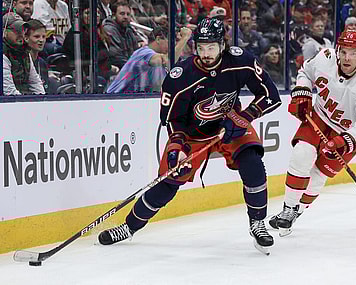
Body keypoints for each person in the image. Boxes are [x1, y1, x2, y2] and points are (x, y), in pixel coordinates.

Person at [98, 17, 282, 253]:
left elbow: (270, 95)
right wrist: (177, 146)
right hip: (192, 136)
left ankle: (257, 223)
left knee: (252, 162)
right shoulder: (180, 76)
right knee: (167, 185)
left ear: (222, 46)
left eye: (211, 47)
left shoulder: (240, 61)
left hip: (230, 124)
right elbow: (173, 119)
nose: (206, 53)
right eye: (201, 47)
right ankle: (129, 227)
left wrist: (245, 116)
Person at [269, 30, 356, 236]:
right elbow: (305, 71)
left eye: (353, 52)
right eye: (344, 51)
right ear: (337, 49)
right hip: (319, 118)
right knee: (302, 154)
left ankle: (297, 211)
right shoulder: (325, 57)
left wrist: (344, 140)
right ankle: (288, 209)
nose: (347, 57)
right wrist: (302, 92)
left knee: (318, 176)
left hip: (347, 132)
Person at [107, 26, 192, 93]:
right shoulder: (143, 53)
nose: (172, 47)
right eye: (170, 42)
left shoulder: (161, 66)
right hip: (113, 102)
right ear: (158, 39)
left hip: (133, 104)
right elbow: (167, 60)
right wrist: (184, 38)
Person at [3, 14, 45, 95]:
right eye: (16, 31)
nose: (20, 34)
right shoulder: (3, 55)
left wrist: (42, 99)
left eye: (22, 31)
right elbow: (9, 91)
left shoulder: (25, 52)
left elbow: (35, 82)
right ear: (4, 32)